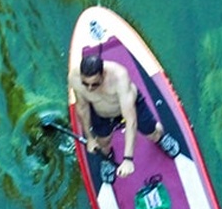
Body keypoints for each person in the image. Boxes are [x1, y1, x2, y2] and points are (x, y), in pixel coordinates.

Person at [69, 44, 178, 180]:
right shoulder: (74, 78)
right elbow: (82, 107)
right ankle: (107, 159)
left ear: (103, 74)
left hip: (128, 107)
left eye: (95, 84)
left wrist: (128, 158)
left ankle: (161, 139)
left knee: (153, 133)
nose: (90, 89)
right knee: (103, 143)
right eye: (86, 84)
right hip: (101, 113)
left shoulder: (119, 76)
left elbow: (131, 120)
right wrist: (90, 138)